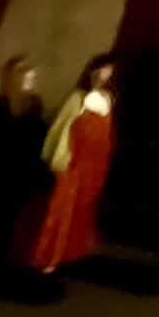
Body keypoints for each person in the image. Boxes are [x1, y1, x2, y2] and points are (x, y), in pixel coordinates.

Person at [15, 54, 117, 275]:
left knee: (79, 212)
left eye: (109, 72)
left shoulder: (108, 99)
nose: (103, 76)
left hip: (92, 167)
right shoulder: (77, 98)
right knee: (60, 209)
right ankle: (46, 256)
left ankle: (65, 255)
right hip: (72, 163)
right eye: (101, 71)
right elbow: (62, 129)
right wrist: (59, 157)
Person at [0, 57, 47, 289]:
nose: (30, 81)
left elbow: (35, 143)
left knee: (5, 228)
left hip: (18, 179)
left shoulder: (33, 109)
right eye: (25, 75)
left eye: (32, 77)